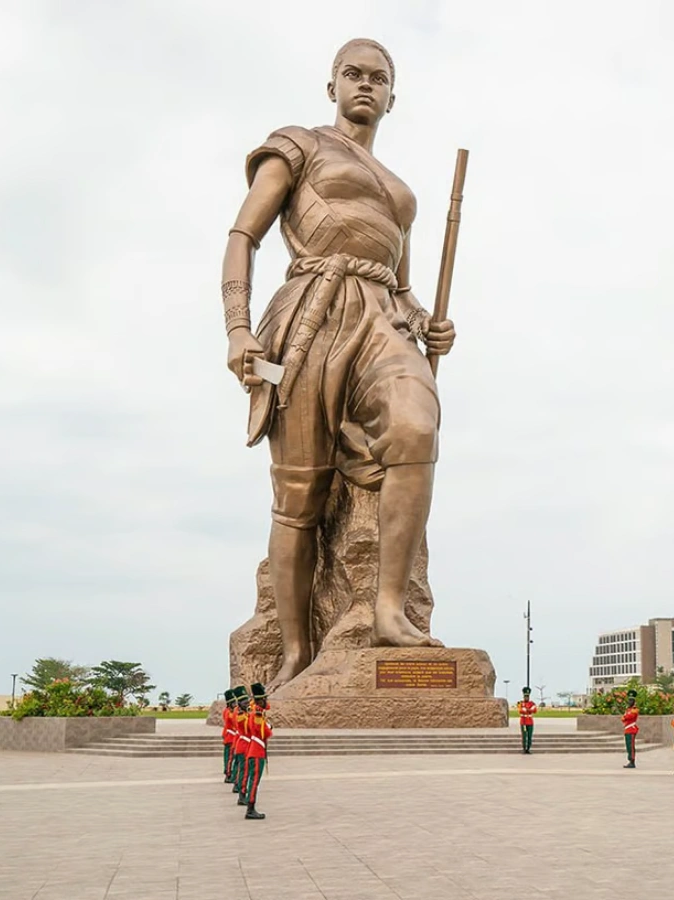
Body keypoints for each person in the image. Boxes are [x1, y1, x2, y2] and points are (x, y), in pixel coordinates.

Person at [219, 38, 458, 690]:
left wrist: (431, 326)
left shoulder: (401, 196)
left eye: (378, 78)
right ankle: (296, 649)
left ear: (391, 95)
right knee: (300, 497)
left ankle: (388, 610)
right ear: (332, 86)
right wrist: (238, 329)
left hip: (382, 321)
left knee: (416, 426)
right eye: (353, 74)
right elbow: (243, 235)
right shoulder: (298, 145)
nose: (365, 85)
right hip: (311, 317)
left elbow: (402, 287)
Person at [241, 682, 273, 820]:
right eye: (264, 698)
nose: (266, 700)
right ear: (260, 700)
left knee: (253, 780)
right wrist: (269, 727)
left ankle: (250, 806)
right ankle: (250, 808)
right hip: (256, 750)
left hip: (254, 748)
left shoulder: (255, 712)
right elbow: (265, 733)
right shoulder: (258, 715)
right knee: (254, 781)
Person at [230, 686, 251, 798]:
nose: (247, 703)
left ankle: (239, 787)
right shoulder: (240, 716)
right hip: (243, 744)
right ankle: (241, 791)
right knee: (243, 769)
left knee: (242, 768)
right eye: (244, 702)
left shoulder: (243, 713)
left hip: (244, 743)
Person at [221, 689, 238, 783]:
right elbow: (233, 720)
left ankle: (229, 772)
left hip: (232, 736)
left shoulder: (230, 711)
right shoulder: (228, 712)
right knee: (230, 757)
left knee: (231, 757)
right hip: (230, 737)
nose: (235, 704)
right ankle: (228, 774)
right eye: (233, 702)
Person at [621, 689, 639, 768]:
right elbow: (623, 718)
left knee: (631, 746)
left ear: (634, 701)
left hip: (631, 729)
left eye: (631, 700)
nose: (630, 702)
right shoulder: (628, 709)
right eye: (629, 700)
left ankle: (632, 761)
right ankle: (630, 760)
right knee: (628, 746)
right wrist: (625, 716)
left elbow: (628, 716)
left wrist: (625, 716)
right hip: (627, 729)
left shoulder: (635, 710)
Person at [517, 687, 538, 753]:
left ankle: (528, 748)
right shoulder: (520, 703)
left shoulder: (532, 703)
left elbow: (534, 710)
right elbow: (521, 710)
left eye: (527, 696)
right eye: (525, 696)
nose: (526, 698)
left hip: (530, 722)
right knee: (524, 735)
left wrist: (526, 709)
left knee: (529, 736)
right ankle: (524, 748)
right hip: (524, 722)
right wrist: (528, 710)